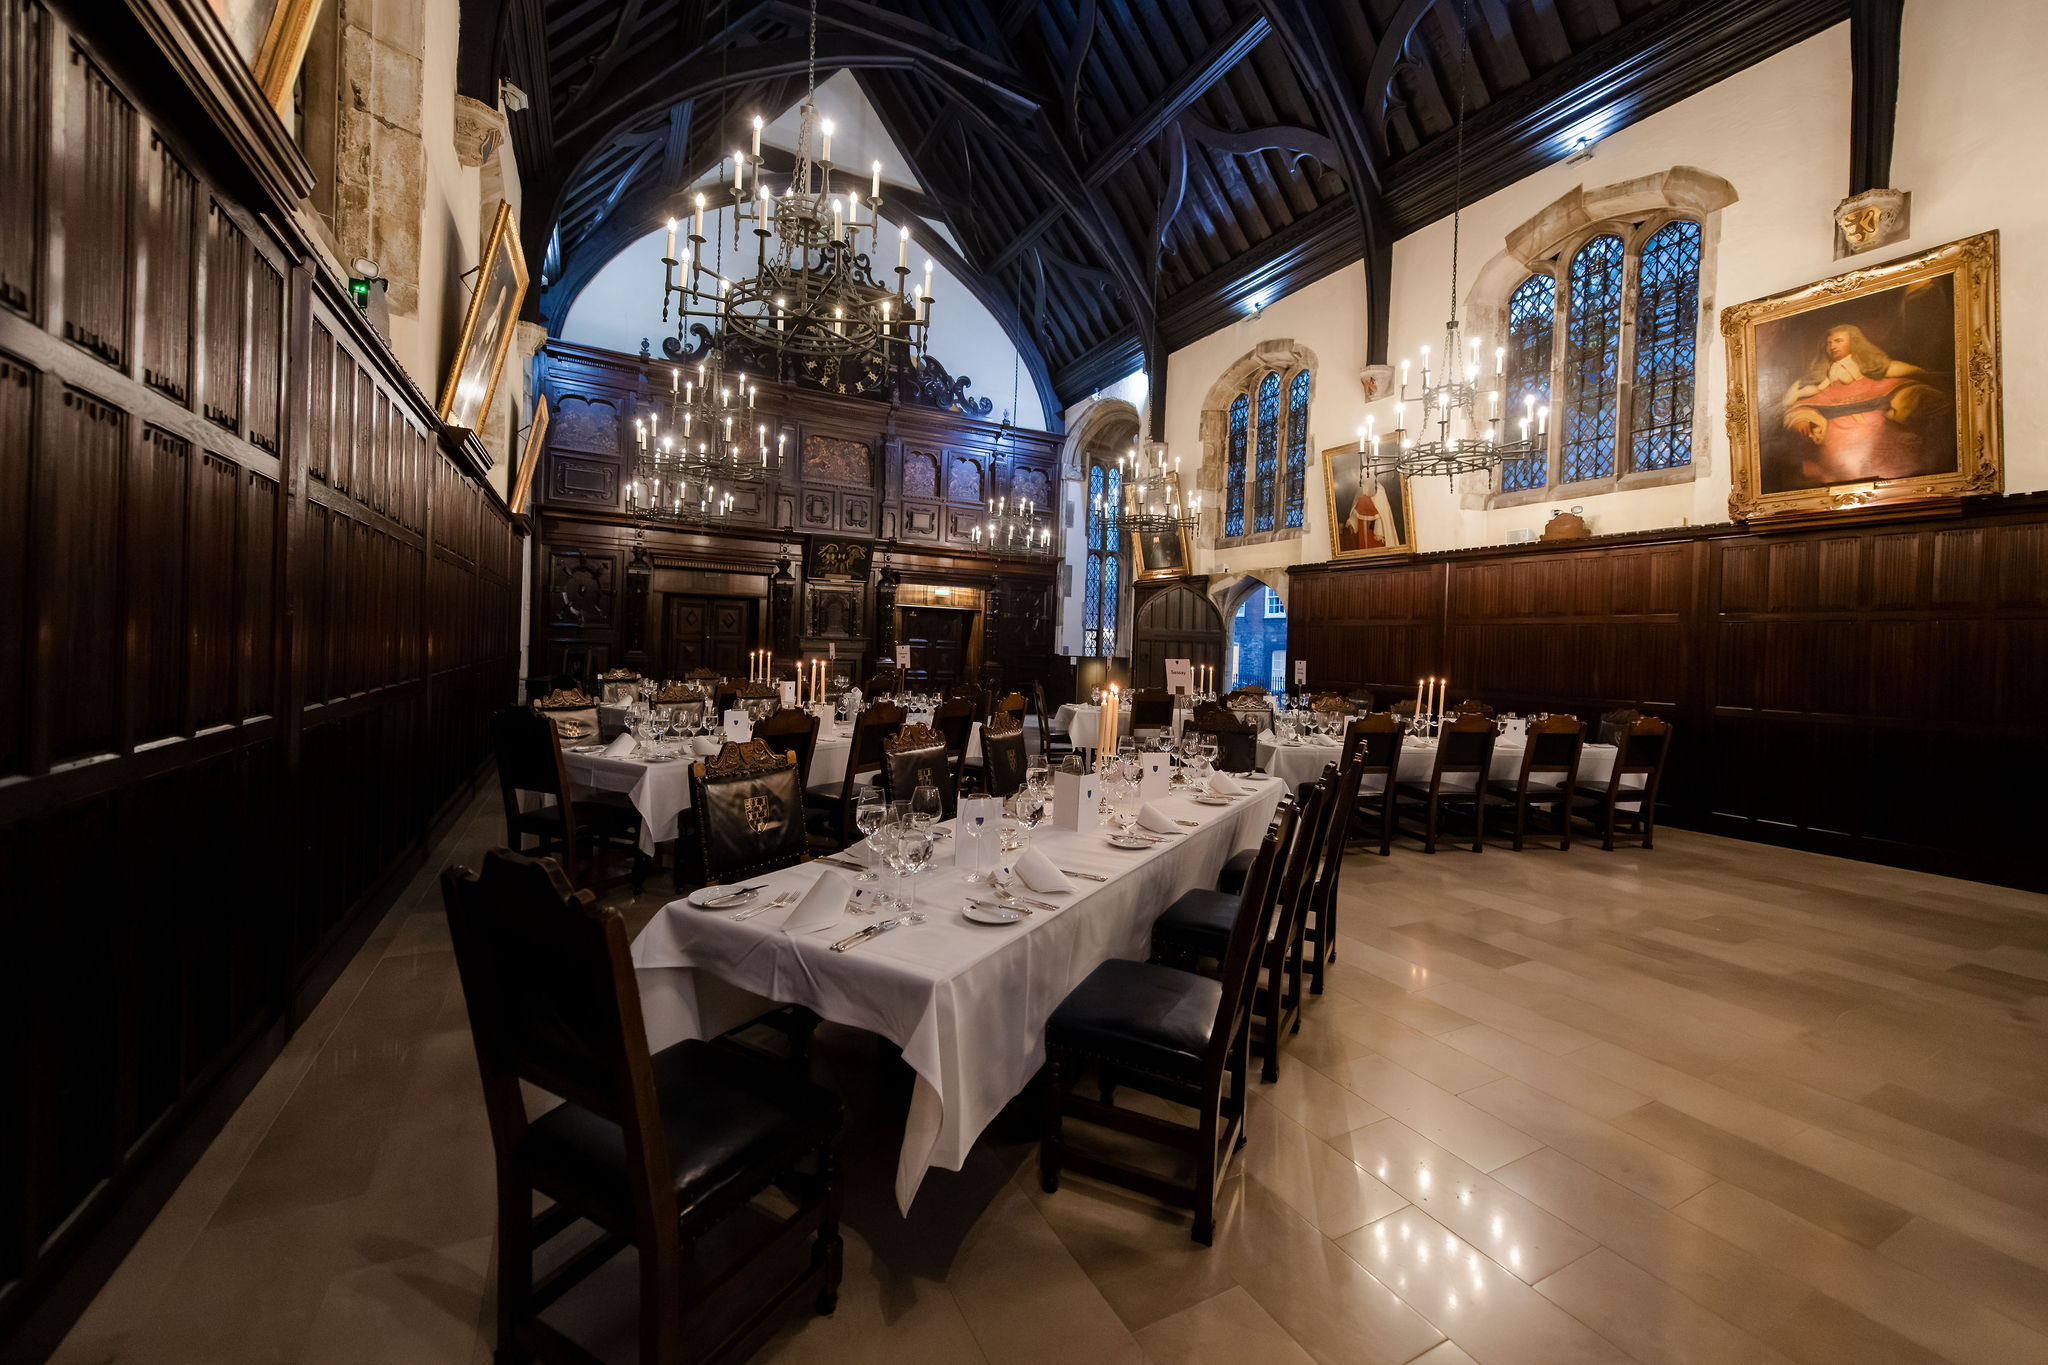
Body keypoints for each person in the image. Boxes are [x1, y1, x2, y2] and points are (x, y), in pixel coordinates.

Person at [1780, 324, 1945, 483]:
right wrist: (1801, 418)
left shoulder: (1875, 373)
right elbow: (1802, 405)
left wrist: (1912, 399)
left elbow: (1907, 387)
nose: (1832, 346)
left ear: (1854, 343)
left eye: (1838, 341)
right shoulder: (1820, 382)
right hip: (1836, 434)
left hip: (1876, 430)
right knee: (1836, 470)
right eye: (1829, 343)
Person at [1343, 472, 1398, 551]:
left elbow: (1383, 514)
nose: (1362, 479)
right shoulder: (1360, 490)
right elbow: (1356, 508)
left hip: (1374, 530)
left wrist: (1379, 531)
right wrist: (1351, 521)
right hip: (1362, 526)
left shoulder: (1379, 490)